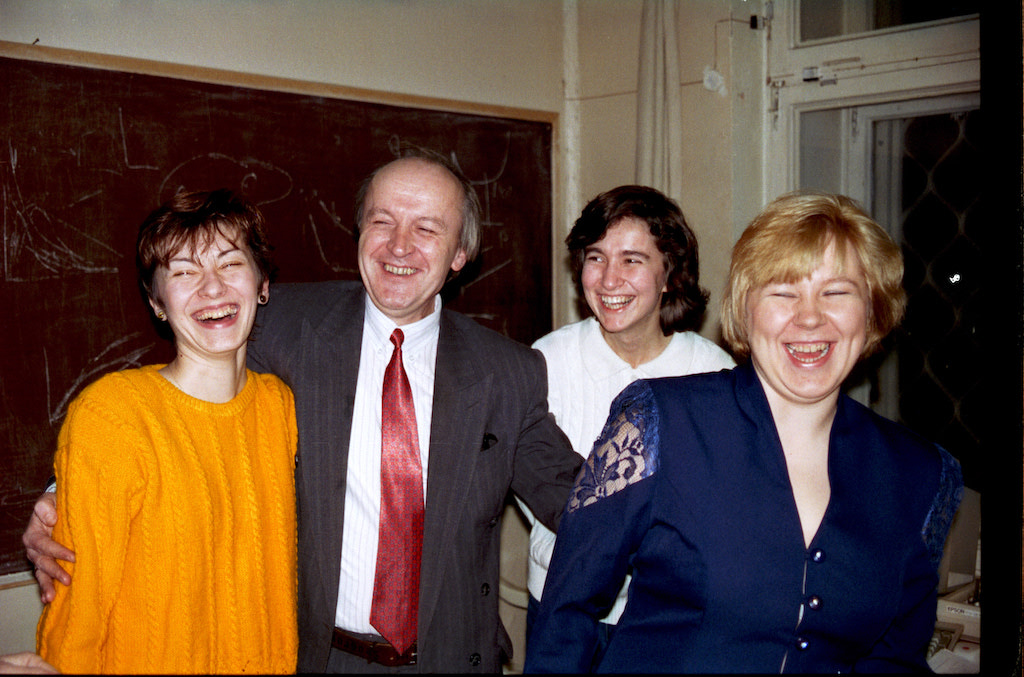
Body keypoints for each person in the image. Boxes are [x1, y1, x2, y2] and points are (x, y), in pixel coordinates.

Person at [26, 149, 581, 674]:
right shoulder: (281, 322)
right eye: (382, 221)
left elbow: (578, 501)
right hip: (317, 658)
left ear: (460, 254)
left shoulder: (507, 372)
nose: (399, 246)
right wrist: (63, 495)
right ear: (359, 232)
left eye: (427, 229)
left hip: (451, 659)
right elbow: (178, 394)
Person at [524, 191, 964, 673]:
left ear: (874, 310)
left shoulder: (921, 474)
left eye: (837, 292)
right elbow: (566, 612)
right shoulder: (658, 422)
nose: (809, 317)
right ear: (744, 309)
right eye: (783, 293)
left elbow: (896, 659)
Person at [34, 190, 298, 673]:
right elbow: (77, 613)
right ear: (156, 302)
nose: (212, 288)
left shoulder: (283, 408)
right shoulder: (112, 415)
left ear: (262, 284)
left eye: (230, 263)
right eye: (183, 273)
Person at [520, 186, 734, 659]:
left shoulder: (713, 373)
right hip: (561, 604)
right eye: (596, 257)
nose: (609, 279)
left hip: (669, 614)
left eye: (632, 260)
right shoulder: (545, 361)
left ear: (669, 274)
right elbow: (533, 488)